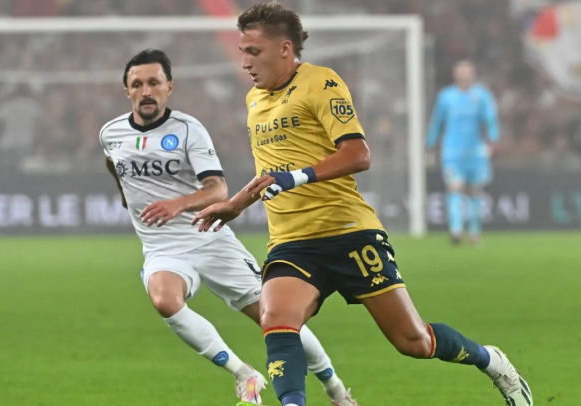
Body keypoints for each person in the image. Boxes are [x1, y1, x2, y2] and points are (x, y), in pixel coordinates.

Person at [192, 4, 531, 406]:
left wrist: (296, 177)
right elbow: (270, 173)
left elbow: (358, 154)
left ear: (284, 49)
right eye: (243, 51)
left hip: (348, 232)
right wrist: (235, 204)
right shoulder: (255, 100)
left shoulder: (321, 82)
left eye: (253, 51)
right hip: (291, 241)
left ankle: (491, 360)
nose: (245, 62)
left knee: (414, 341)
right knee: (276, 319)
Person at [100, 48, 357, 406]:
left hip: (209, 238)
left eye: (154, 83)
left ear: (169, 87)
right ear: (127, 90)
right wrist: (125, 195)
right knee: (164, 300)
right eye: (138, 84)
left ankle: (335, 389)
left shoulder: (188, 130)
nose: (146, 91)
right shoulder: (110, 133)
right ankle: (243, 373)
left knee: (275, 319)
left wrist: (177, 204)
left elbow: (217, 190)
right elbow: (114, 164)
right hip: (162, 247)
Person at [426, 60, 500, 246]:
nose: (464, 75)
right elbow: (437, 120)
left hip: (475, 151)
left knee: (476, 191)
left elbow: (490, 118)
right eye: (461, 72)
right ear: (455, 74)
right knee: (455, 188)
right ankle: (456, 230)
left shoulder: (481, 95)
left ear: (473, 74)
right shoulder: (446, 96)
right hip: (452, 152)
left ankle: (474, 231)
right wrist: (430, 142)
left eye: (467, 72)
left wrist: (493, 138)